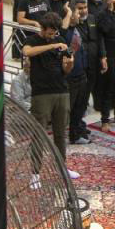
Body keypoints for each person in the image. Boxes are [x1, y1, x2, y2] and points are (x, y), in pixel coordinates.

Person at [23, 13, 78, 178]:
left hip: (61, 91)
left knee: (60, 133)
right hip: (41, 94)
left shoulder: (59, 40)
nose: (52, 36)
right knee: (39, 133)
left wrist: (70, 63)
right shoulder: (32, 40)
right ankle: (35, 173)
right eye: (49, 33)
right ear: (42, 28)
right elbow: (27, 52)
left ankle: (62, 168)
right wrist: (52, 46)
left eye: (54, 33)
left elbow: (66, 70)